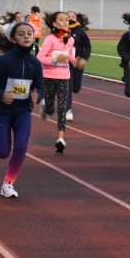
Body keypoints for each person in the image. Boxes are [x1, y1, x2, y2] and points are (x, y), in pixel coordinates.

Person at [0, 22, 44, 198]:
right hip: (1, 110)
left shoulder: (35, 63)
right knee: (2, 152)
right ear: (14, 38)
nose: (26, 36)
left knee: (21, 146)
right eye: (21, 34)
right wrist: (0, 95)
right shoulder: (5, 60)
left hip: (23, 111)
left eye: (29, 33)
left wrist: (37, 96)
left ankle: (8, 183)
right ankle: (0, 145)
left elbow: (40, 87)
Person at [37, 11, 76, 153]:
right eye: (61, 19)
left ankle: (60, 139)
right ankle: (45, 107)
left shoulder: (70, 39)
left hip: (64, 76)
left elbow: (69, 55)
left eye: (67, 19)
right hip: (48, 75)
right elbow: (40, 57)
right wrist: (54, 60)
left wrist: (74, 60)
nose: (65, 22)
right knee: (50, 108)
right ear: (54, 24)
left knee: (62, 108)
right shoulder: (50, 39)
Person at [65, 11, 91, 122]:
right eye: (69, 17)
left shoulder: (80, 31)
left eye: (73, 16)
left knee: (76, 88)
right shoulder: (62, 31)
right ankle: (68, 110)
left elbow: (88, 47)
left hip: (78, 62)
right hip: (66, 63)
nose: (71, 18)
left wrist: (84, 58)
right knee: (68, 87)